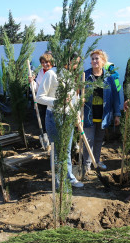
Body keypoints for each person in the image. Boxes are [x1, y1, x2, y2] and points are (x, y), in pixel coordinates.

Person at [36, 53, 84, 188]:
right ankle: (57, 181)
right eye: (73, 62)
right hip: (54, 117)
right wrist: (58, 102)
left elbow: (74, 98)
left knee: (67, 150)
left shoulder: (72, 76)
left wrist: (78, 114)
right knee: (57, 151)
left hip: (69, 117)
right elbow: (39, 97)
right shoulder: (51, 74)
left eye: (77, 63)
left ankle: (69, 177)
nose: (75, 65)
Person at [83, 50, 121, 171]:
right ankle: (87, 164)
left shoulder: (109, 78)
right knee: (88, 140)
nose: (94, 61)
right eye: (92, 59)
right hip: (89, 114)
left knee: (99, 139)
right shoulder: (85, 75)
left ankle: (97, 161)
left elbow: (115, 96)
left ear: (103, 61)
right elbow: (78, 94)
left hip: (104, 114)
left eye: (97, 59)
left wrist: (117, 114)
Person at [29, 52, 55, 133]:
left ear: (51, 62)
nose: (45, 64)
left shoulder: (55, 72)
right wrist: (32, 82)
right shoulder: (40, 72)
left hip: (53, 101)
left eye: (46, 62)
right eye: (42, 62)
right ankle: (45, 135)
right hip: (43, 101)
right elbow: (37, 88)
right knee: (43, 120)